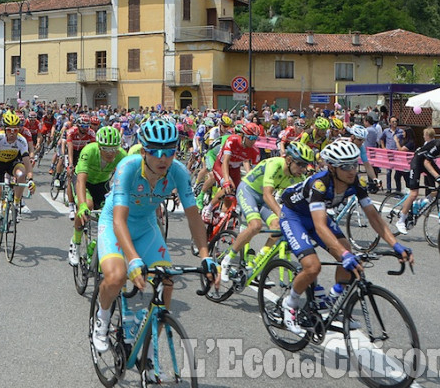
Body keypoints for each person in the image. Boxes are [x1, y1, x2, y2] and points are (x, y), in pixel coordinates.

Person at [91, 119, 218, 352]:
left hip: (146, 225)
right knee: (117, 277)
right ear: (143, 151)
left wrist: (205, 256)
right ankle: (102, 317)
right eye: (155, 151)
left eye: (170, 151)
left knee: (167, 280)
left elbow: (194, 217)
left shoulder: (178, 171)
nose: (163, 158)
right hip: (115, 223)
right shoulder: (128, 167)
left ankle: (150, 349)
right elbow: (119, 220)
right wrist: (133, 259)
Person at [278, 141, 413, 334]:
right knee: (313, 266)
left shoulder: (355, 182)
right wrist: (343, 254)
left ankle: (332, 302)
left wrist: (396, 245)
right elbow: (319, 226)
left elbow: (373, 217)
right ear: (332, 167)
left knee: (350, 256)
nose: (352, 171)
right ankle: (290, 304)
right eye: (346, 166)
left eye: (354, 165)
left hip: (317, 216)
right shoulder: (320, 183)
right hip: (294, 216)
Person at [220, 142, 316, 283]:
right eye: (300, 164)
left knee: (277, 227)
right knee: (255, 225)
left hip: (263, 199)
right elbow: (267, 195)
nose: (303, 169)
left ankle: (257, 264)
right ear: (289, 160)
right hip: (248, 191)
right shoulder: (275, 164)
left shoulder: (298, 178)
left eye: (306, 165)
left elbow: (304, 201)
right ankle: (226, 260)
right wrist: (282, 215)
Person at [68, 126, 127, 266]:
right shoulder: (89, 151)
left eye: (114, 149)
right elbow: (81, 180)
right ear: (99, 146)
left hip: (102, 184)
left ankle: (101, 247)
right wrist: (82, 206)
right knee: (87, 206)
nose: (111, 153)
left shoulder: (122, 155)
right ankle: (75, 243)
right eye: (106, 149)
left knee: (108, 215)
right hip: (85, 182)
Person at [397, 124, 440, 235]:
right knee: (414, 193)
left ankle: (421, 202)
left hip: (428, 162)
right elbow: (425, 162)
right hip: (418, 162)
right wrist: (437, 177)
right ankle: (401, 221)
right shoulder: (439, 144)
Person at [0, 111, 35, 241]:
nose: (12, 132)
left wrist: (30, 179)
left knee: (22, 173)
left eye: (15, 129)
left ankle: (16, 203)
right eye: (9, 130)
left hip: (12, 163)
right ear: (4, 129)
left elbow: (27, 162)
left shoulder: (21, 140)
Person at [379, 117, 405, 194]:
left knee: (398, 172)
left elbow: (405, 138)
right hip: (389, 153)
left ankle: (398, 189)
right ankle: (388, 189)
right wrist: (383, 147)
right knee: (388, 172)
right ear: (389, 123)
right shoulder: (386, 131)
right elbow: (381, 139)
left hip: (397, 153)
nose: (394, 123)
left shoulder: (400, 131)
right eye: (393, 122)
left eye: (396, 121)